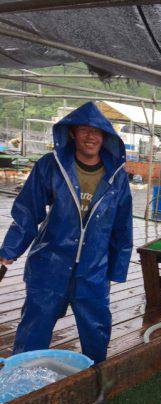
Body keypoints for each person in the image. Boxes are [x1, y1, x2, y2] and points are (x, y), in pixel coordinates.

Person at [0, 102, 133, 364]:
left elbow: (122, 225)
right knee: (33, 330)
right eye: (84, 129)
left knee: (96, 332)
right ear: (71, 133)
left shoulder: (117, 176)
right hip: (50, 265)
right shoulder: (51, 165)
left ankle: (95, 379)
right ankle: (22, 381)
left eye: (97, 131)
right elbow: (28, 211)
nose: (90, 136)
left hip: (94, 269)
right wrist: (7, 254)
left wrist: (117, 269)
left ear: (106, 136)